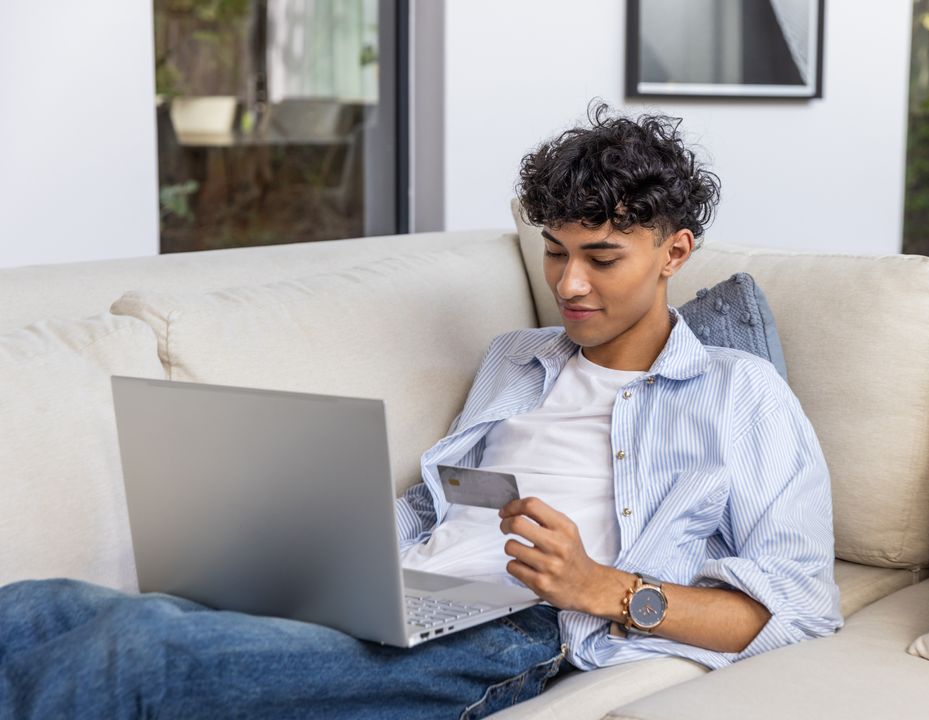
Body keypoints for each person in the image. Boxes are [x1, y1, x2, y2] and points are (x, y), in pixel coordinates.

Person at [0, 103, 841, 719]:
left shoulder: (740, 392)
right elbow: (449, 507)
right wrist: (326, 543)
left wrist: (605, 588)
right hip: (404, 589)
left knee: (134, 656)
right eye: (554, 253)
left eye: (602, 257)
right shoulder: (517, 358)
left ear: (674, 253)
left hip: (519, 630)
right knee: (39, 609)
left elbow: (801, 606)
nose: (569, 285)